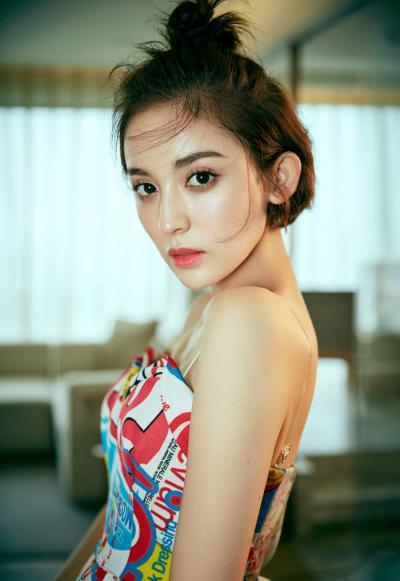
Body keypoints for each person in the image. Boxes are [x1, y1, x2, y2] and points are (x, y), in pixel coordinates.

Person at [54, 0, 318, 579]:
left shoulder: (251, 320)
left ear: (279, 178)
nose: (167, 220)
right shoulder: (215, 308)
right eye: (146, 187)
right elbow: (124, 507)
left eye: (200, 176)